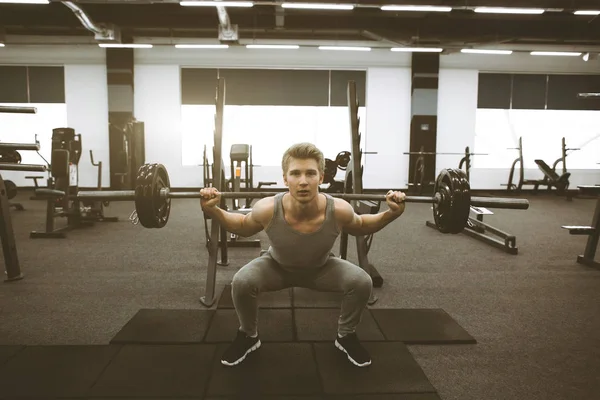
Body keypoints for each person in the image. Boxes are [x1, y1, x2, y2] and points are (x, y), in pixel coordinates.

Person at [200, 142, 406, 368]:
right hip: (276, 268)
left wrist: (390, 214)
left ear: (321, 177)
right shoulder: (268, 208)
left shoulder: (338, 209)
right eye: (295, 173)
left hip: (321, 269)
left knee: (361, 282)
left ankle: (346, 336)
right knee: (241, 281)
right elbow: (241, 225)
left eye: (310, 173)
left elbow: (362, 224)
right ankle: (249, 335)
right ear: (285, 178)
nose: (303, 181)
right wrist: (214, 210)